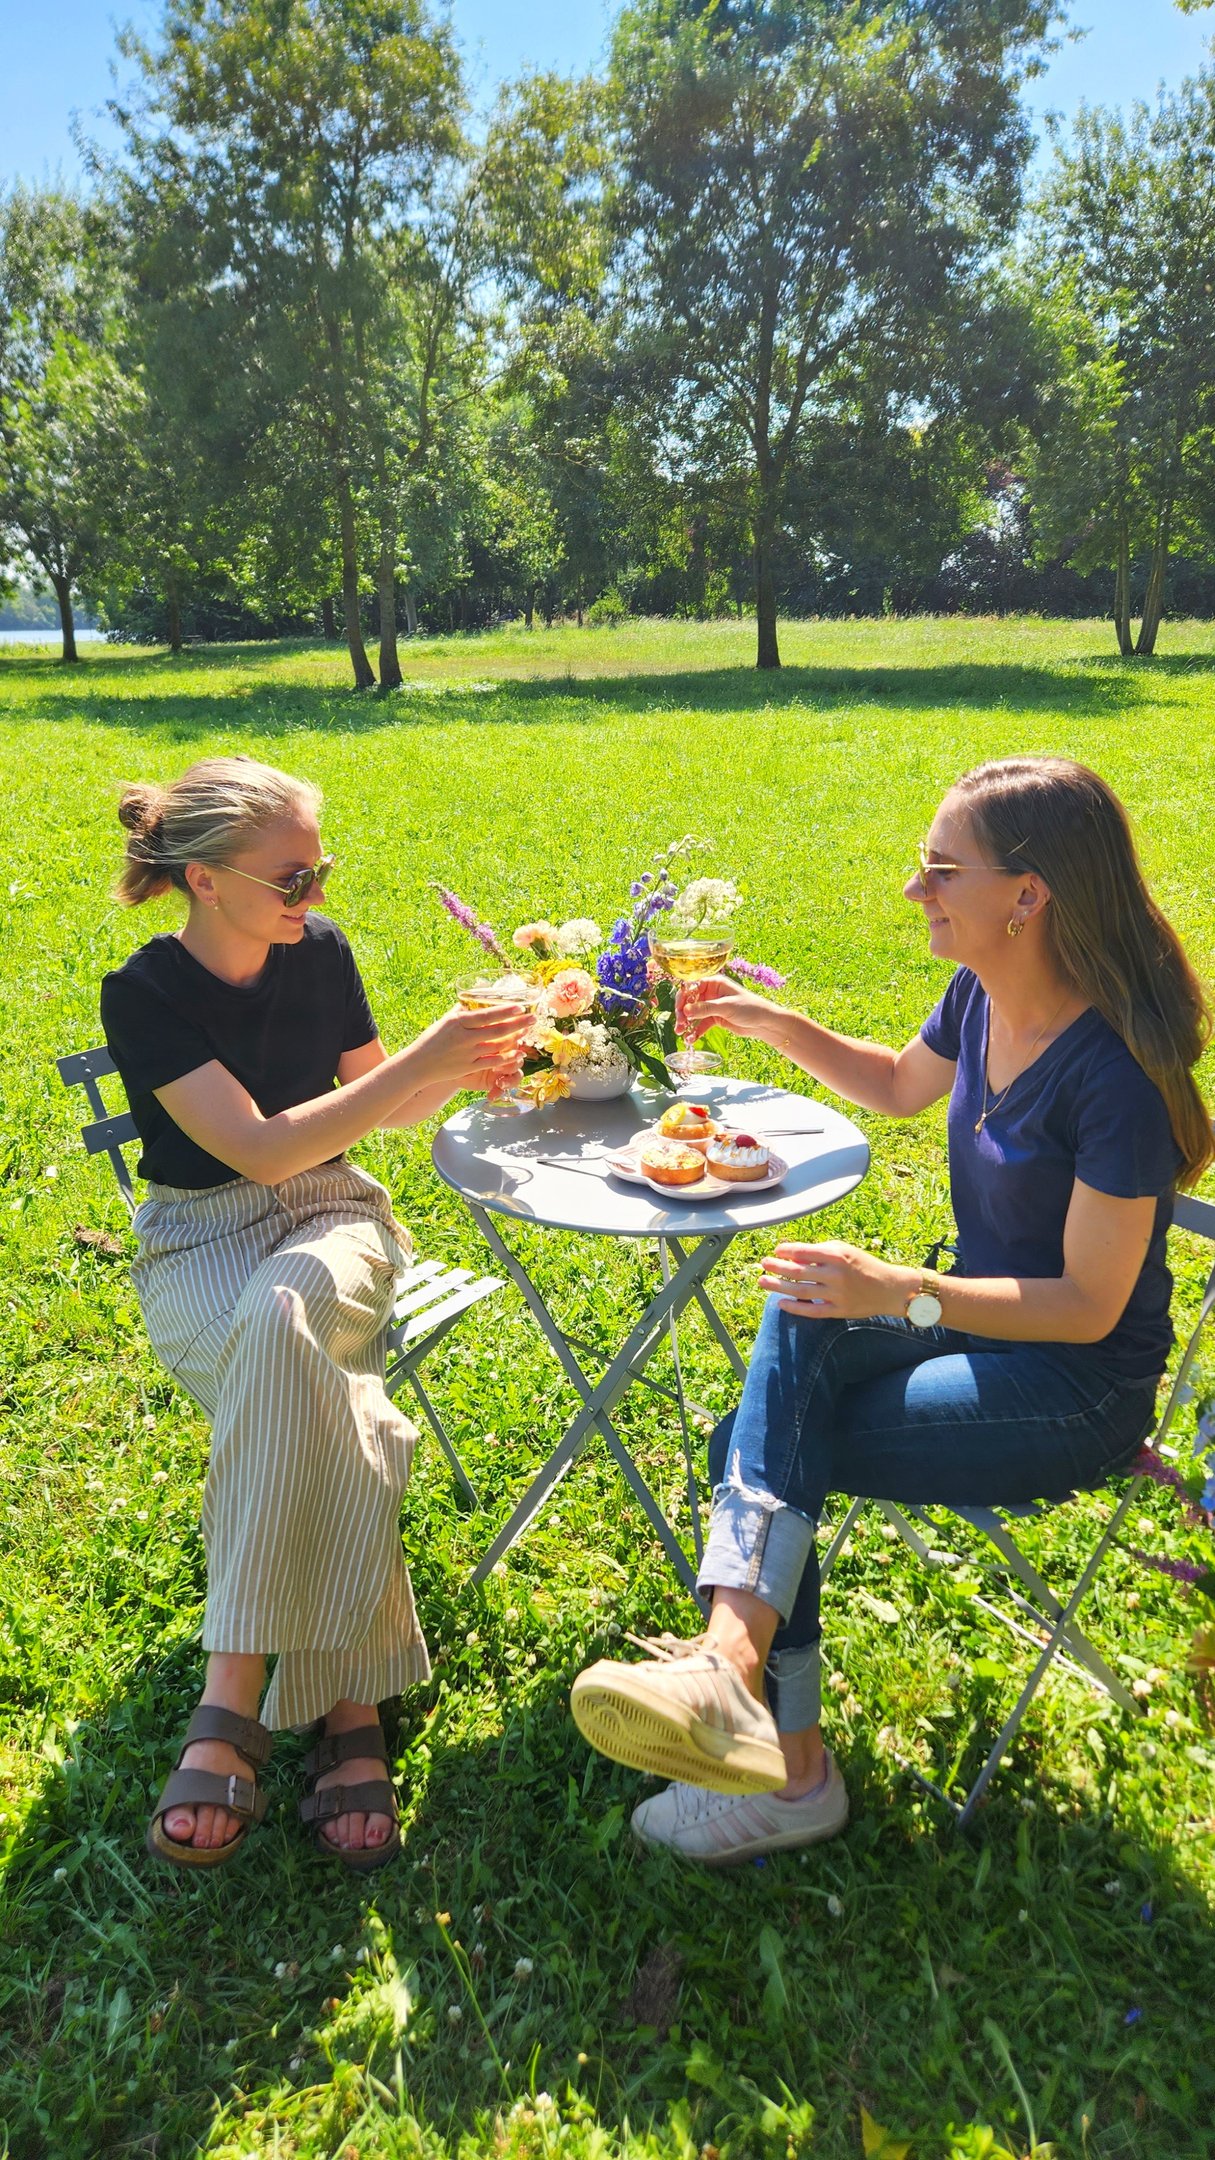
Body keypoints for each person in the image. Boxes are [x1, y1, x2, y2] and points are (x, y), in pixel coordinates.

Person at [571, 756, 1213, 1865]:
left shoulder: (1111, 1078)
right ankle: (739, 1690)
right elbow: (897, 1084)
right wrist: (767, 1021)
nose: (916, 891)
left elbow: (1086, 1306)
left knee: (756, 1433)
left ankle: (779, 1749)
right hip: (979, 1324)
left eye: (939, 870)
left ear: (1029, 895)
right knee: (807, 1298)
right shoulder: (981, 992)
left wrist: (905, 1289)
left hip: (1072, 1384)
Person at [101, 756, 530, 1872]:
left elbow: (369, 1112)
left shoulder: (321, 956)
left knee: (291, 1315)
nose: (318, 899)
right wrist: (423, 1061)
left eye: (320, 870)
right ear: (204, 878)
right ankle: (349, 1711)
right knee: (313, 1374)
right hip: (200, 1235)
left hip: (334, 1216)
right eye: (294, 878)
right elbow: (256, 1145)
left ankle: (232, 1692)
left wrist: (479, 1063)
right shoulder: (143, 992)